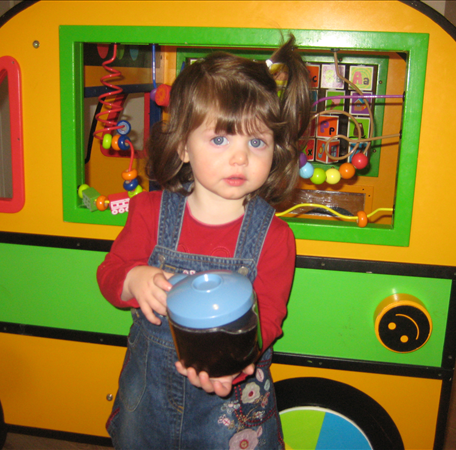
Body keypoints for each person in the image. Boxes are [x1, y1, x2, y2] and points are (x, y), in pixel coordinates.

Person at [97, 35, 311, 450]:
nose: (240, 157)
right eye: (220, 139)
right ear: (183, 146)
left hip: (231, 407)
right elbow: (109, 275)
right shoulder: (149, 213)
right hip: (150, 403)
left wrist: (235, 361)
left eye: (256, 142)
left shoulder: (274, 237)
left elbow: (269, 316)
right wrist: (133, 279)